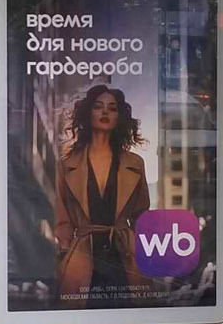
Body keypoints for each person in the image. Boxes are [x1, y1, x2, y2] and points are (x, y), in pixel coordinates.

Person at [53, 83, 151, 305]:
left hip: (125, 254)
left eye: (112, 108)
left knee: (129, 309)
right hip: (82, 256)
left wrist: (142, 250)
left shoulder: (135, 163)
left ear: (119, 117)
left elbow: (141, 215)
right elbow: (62, 217)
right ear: (88, 113)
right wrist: (66, 252)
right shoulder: (67, 164)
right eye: (98, 106)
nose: (105, 112)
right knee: (80, 311)